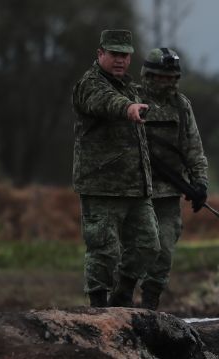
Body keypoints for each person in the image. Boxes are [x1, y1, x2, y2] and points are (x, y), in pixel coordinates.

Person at [71, 29, 159, 307]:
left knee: (149, 246)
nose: (120, 60)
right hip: (101, 186)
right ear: (101, 54)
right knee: (103, 251)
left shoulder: (131, 88)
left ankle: (122, 297)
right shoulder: (89, 84)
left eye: (125, 55)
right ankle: (97, 307)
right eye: (114, 54)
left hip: (136, 186)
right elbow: (106, 101)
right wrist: (128, 108)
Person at [136, 47, 210, 310]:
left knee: (164, 251)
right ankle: (115, 307)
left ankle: (149, 307)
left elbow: (193, 148)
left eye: (171, 78)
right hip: (134, 191)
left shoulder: (181, 106)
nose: (167, 83)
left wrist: (200, 184)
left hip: (168, 192)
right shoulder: (131, 99)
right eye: (161, 77)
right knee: (131, 252)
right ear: (149, 75)